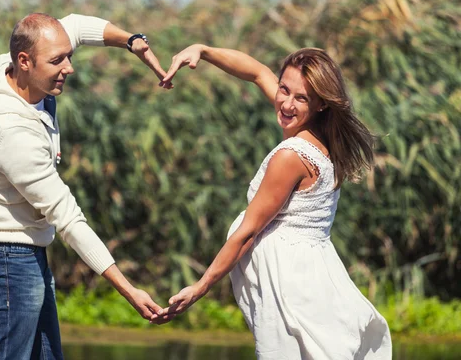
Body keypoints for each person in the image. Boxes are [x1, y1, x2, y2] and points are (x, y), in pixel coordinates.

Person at [0, 13, 171, 360]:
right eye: (57, 61)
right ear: (24, 61)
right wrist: (128, 290)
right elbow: (67, 218)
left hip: (22, 251)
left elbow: (77, 25)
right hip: (4, 257)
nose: (69, 67)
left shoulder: (13, 66)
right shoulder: (10, 132)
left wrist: (131, 41)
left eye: (67, 56)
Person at [157, 45, 392, 359]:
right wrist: (204, 50)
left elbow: (248, 232)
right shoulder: (317, 129)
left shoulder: (291, 156)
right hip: (311, 271)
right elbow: (256, 72)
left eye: (301, 98)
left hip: (291, 284)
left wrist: (201, 286)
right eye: (284, 89)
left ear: (321, 103)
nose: (286, 103)